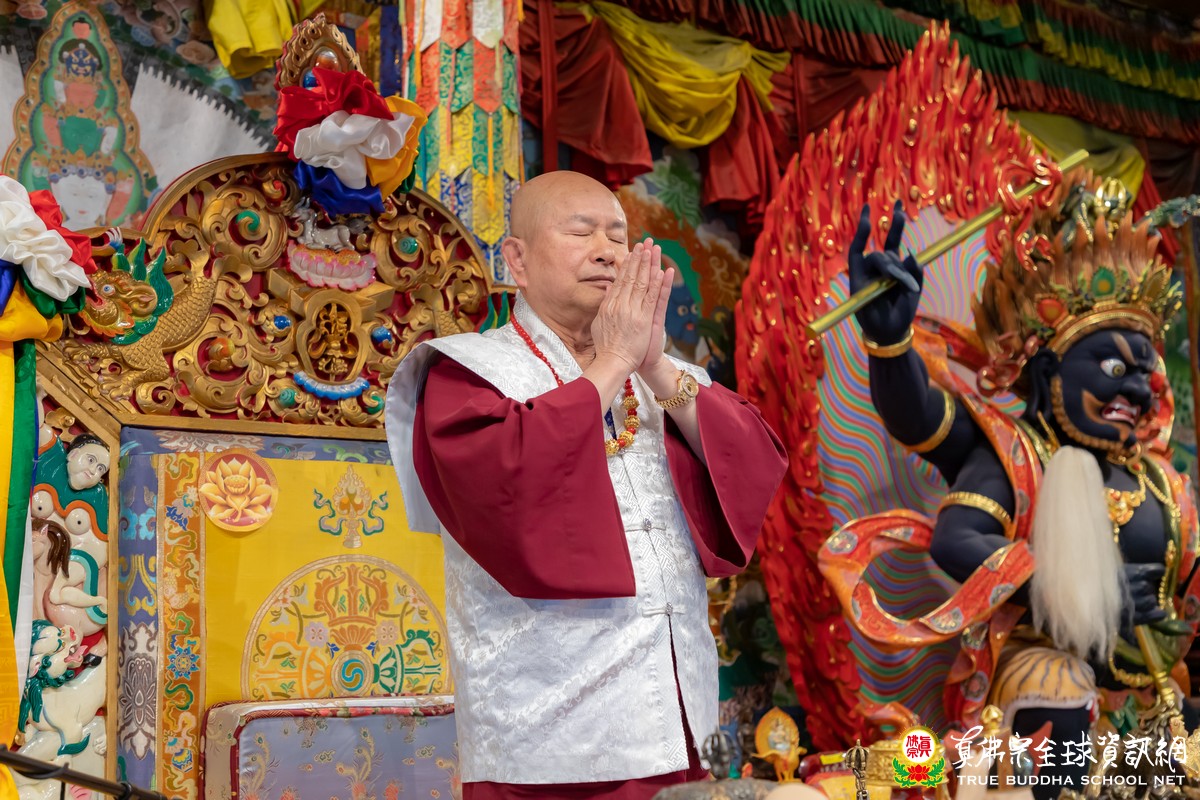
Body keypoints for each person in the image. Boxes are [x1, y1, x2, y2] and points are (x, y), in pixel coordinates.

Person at [385, 170, 788, 799]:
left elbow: (753, 460)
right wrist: (615, 361)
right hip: (548, 732)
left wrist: (652, 364)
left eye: (618, 237)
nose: (606, 251)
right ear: (517, 260)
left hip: (678, 713)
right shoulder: (471, 371)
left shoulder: (659, 372)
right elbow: (510, 479)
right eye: (581, 232)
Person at [818, 176, 1200, 800]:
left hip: (1153, 699)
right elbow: (951, 521)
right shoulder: (1018, 457)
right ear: (1048, 371)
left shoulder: (1162, 482)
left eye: (1144, 371)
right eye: (1113, 367)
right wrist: (890, 342)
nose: (1136, 389)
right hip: (1046, 703)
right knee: (1058, 694)